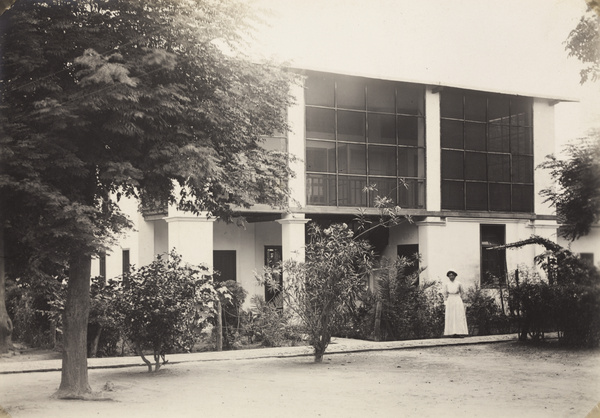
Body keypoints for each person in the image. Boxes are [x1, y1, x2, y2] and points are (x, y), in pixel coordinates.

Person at [443, 270, 468, 337]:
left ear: (455, 276)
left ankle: (459, 332)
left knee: (458, 315)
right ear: (448, 277)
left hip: (457, 299)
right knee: (451, 316)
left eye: (452, 275)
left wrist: (463, 301)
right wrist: (445, 302)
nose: (451, 277)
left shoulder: (459, 283)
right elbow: (445, 294)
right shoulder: (447, 284)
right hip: (450, 300)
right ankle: (451, 332)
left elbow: (462, 292)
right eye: (450, 276)